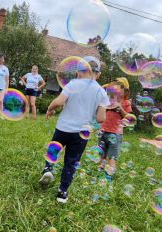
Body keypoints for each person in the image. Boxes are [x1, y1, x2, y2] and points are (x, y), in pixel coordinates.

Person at [38, 57, 110, 203]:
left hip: (63, 128)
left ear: (79, 72)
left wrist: (49, 109)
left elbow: (59, 102)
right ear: (98, 74)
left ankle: (48, 169)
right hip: (82, 133)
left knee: (53, 150)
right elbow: (101, 118)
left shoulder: (73, 84)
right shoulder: (101, 92)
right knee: (71, 162)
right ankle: (62, 192)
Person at [98, 77, 132, 179]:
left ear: (125, 91)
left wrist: (120, 108)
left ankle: (108, 176)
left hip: (115, 134)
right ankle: (100, 173)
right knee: (101, 154)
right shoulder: (108, 100)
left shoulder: (126, 103)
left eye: (120, 88)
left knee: (112, 156)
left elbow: (129, 118)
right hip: (103, 131)